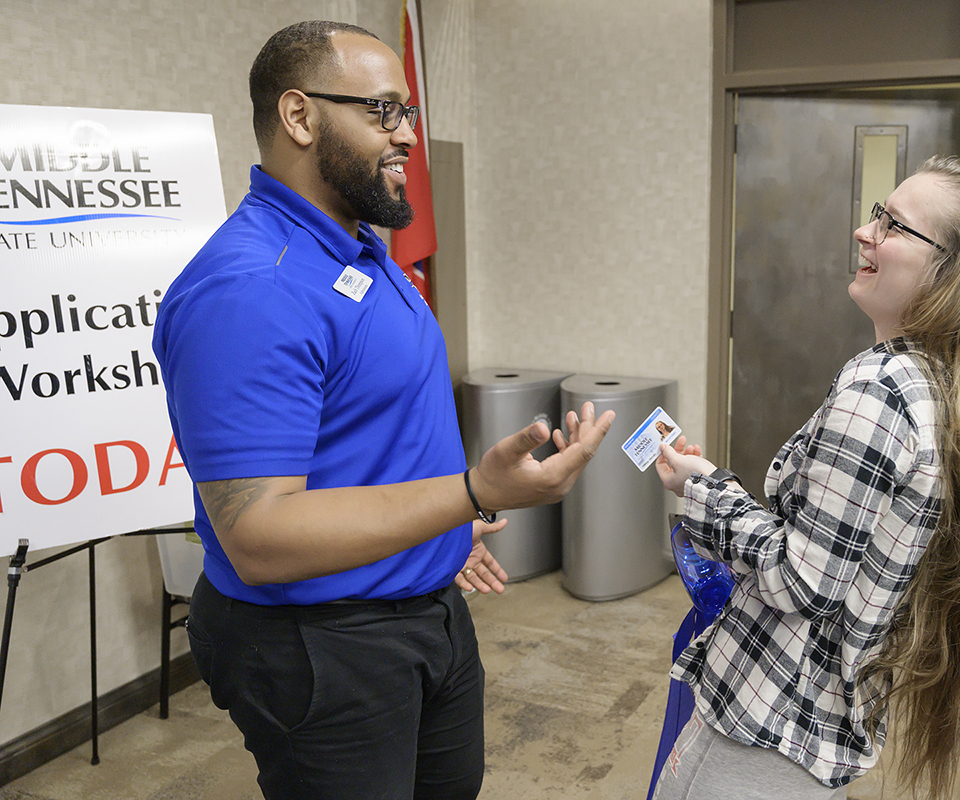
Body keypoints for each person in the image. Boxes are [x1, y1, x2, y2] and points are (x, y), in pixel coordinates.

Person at [151, 20, 614, 800]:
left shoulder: (361, 248)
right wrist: (471, 493)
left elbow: (368, 430)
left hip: (426, 611)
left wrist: (441, 528)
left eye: (409, 114)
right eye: (384, 112)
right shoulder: (251, 289)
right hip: (325, 644)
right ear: (299, 116)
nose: (406, 137)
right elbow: (260, 538)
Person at [652, 156, 960, 800]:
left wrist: (703, 489)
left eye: (894, 225)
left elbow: (797, 580)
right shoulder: (952, 391)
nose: (865, 233)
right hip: (822, 729)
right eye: (877, 215)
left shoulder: (883, 389)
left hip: (765, 726)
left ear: (956, 274)